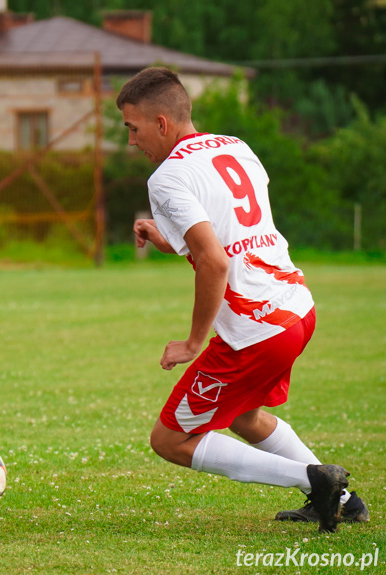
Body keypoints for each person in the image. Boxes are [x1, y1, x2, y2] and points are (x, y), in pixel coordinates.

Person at [117, 67, 368, 533]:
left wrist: (194, 342)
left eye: (133, 128)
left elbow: (215, 261)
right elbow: (235, 236)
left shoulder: (166, 177)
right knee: (245, 416)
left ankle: (316, 481)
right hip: (296, 308)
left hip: (254, 331)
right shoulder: (236, 147)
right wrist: (167, 238)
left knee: (170, 440)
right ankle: (344, 502)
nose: (132, 141)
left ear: (162, 124)